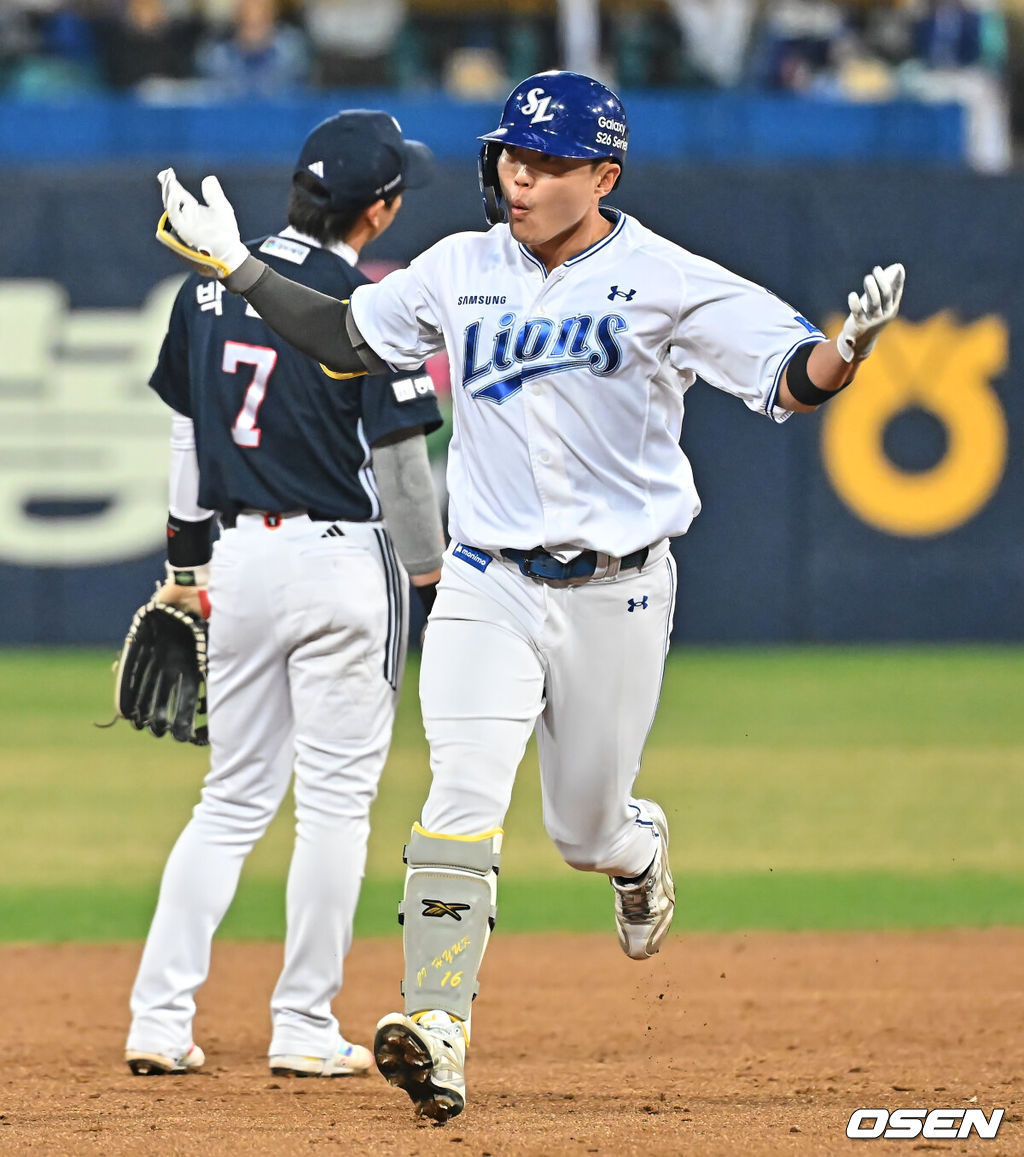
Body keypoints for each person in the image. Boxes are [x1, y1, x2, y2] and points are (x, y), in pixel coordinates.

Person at [154, 69, 906, 1119]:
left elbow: (785, 378)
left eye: (550, 164)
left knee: (584, 829)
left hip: (619, 591)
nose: (522, 177)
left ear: (603, 174)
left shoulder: (661, 275)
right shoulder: (456, 268)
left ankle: (638, 850)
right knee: (459, 792)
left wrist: (843, 354)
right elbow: (340, 341)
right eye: (512, 156)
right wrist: (236, 265)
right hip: (486, 578)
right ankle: (438, 1020)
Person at [125, 109, 445, 1079]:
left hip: (237, 560)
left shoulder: (206, 285)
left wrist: (185, 568)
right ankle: (303, 1023)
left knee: (228, 800)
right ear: (378, 210)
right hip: (343, 559)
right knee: (336, 806)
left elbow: (186, 439)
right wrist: (431, 578)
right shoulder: (366, 305)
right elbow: (403, 473)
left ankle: (156, 1015)